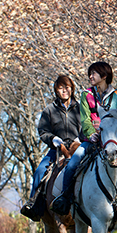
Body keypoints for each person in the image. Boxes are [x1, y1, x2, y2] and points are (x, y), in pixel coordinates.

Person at [50, 61, 117, 215]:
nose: (90, 76)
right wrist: (91, 134)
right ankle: (65, 199)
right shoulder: (86, 95)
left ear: (104, 76)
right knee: (72, 164)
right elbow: (85, 120)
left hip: (113, 144)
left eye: (94, 73)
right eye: (90, 73)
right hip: (90, 142)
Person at [20, 75, 81, 221]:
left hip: (78, 147)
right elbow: (43, 131)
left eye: (67, 87)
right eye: (60, 88)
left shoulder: (80, 108)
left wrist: (81, 138)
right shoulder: (49, 110)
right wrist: (53, 139)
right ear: (56, 91)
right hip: (57, 149)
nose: (64, 91)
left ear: (72, 89)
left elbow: (88, 126)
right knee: (40, 171)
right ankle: (33, 204)